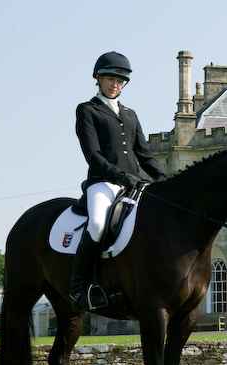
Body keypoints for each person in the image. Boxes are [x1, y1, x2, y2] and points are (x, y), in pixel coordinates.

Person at [71, 51, 166, 311]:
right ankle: (80, 287)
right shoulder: (87, 110)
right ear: (98, 79)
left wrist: (166, 180)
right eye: (110, 79)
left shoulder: (131, 114)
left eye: (120, 80)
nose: (115, 84)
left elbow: (144, 154)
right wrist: (122, 176)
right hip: (103, 183)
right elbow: (93, 155)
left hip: (136, 183)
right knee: (99, 225)